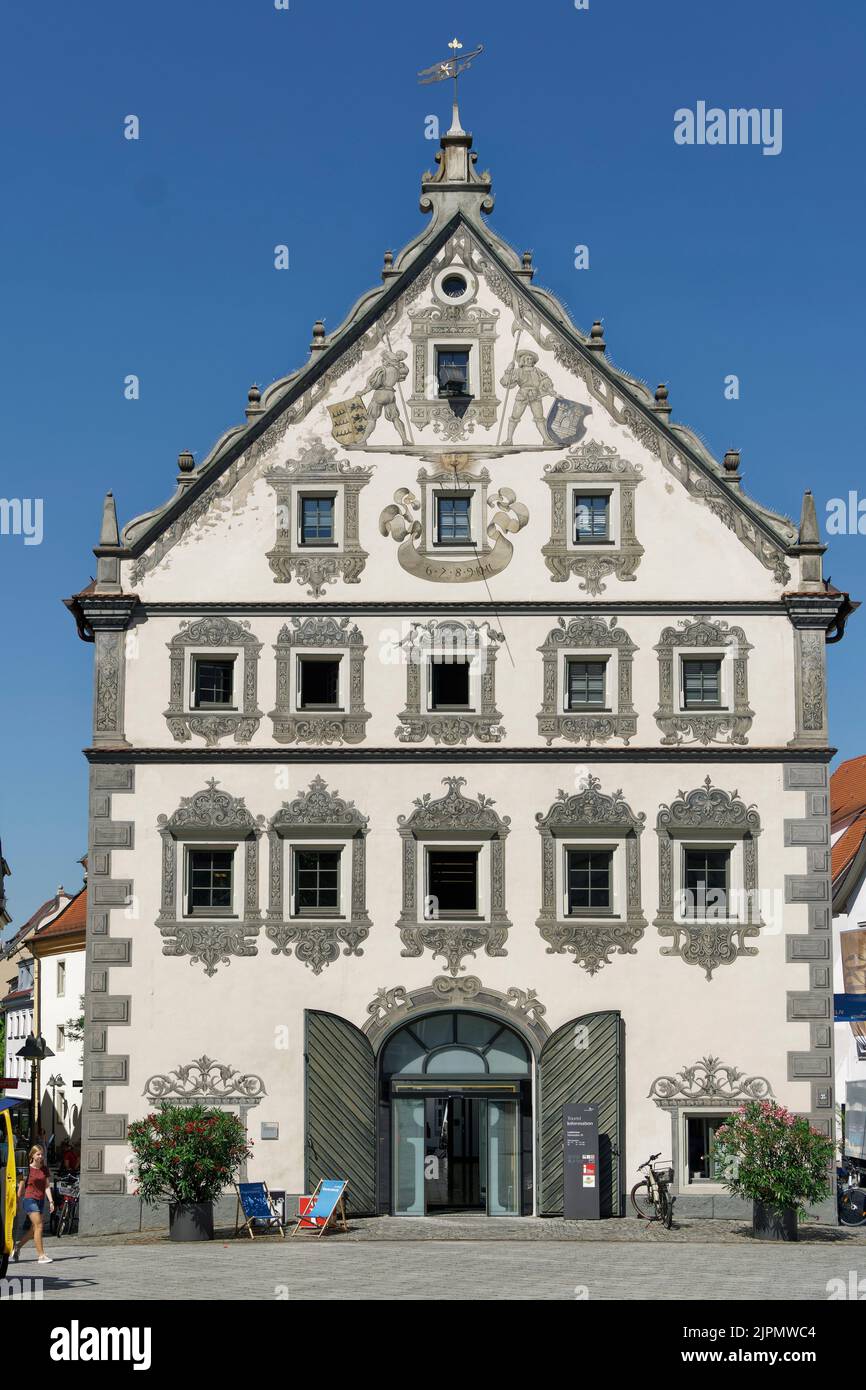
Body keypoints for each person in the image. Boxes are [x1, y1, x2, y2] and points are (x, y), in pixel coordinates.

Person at [13, 1144, 54, 1263]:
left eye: (42, 1154)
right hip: (29, 1199)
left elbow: (46, 1186)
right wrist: (16, 1201)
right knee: (39, 1226)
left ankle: (17, 1247)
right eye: (38, 1154)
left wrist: (51, 1201)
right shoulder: (27, 1169)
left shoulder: (44, 1169)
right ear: (32, 1155)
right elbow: (21, 1187)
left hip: (41, 1200)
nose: (41, 1156)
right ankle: (41, 1256)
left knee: (33, 1229)